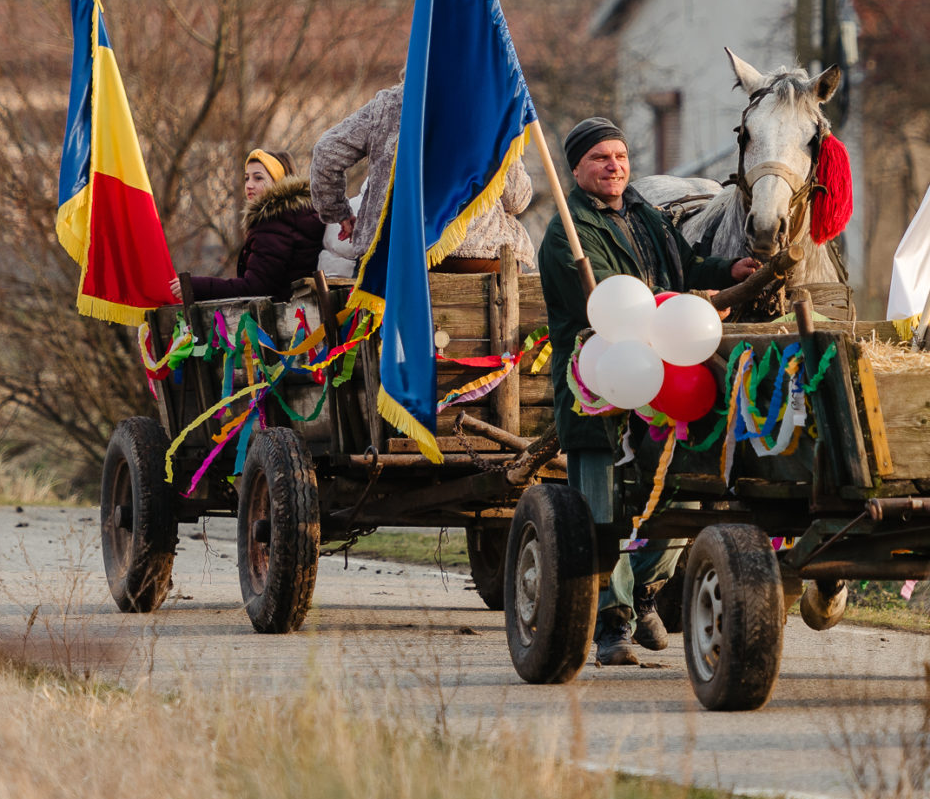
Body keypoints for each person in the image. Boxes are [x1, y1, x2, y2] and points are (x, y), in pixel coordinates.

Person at [541, 117, 757, 666]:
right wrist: (696, 303)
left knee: (682, 488)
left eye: (619, 155)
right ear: (576, 169)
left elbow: (682, 268)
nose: (614, 166)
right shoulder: (568, 231)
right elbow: (622, 298)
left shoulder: (646, 215)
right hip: (598, 382)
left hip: (666, 381)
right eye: (599, 158)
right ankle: (610, 623)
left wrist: (726, 269)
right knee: (599, 504)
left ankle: (642, 590)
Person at [310, 84, 536, 273]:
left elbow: (326, 152)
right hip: (477, 256)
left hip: (391, 256)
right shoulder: (489, 108)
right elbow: (516, 199)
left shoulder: (388, 105)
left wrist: (338, 213)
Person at [176, 149, 326, 304]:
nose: (249, 185)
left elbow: (255, 288)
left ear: (279, 182)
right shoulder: (298, 215)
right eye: (247, 178)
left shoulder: (274, 222)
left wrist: (196, 286)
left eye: (258, 178)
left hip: (288, 319)